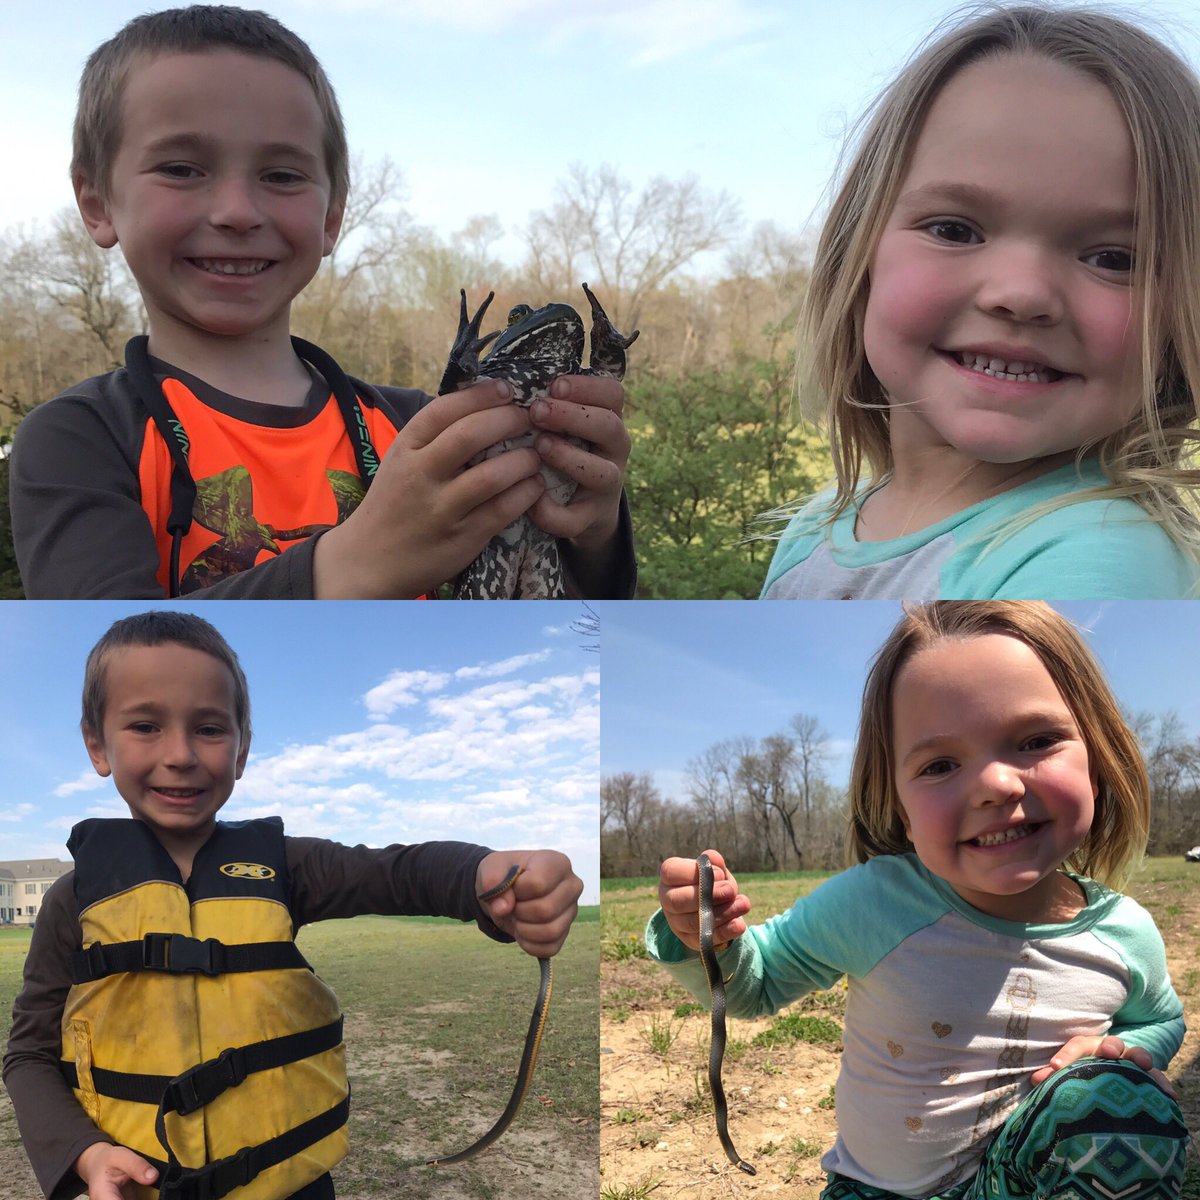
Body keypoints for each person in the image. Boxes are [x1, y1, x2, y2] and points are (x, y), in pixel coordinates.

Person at [8, 5, 634, 600]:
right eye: (181, 167)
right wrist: (360, 560)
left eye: (281, 175)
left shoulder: (422, 428)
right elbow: (116, 652)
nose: (236, 211)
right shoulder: (77, 439)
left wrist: (591, 531)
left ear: (332, 216)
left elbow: (555, 629)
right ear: (96, 202)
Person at [3, 611, 583, 1200]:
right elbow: (28, 1054)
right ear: (97, 744)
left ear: (242, 750)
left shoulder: (287, 865)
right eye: (146, 726)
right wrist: (85, 1155)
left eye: (209, 729)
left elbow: (394, 873)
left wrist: (487, 877)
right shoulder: (70, 900)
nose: (179, 754)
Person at [649, 601, 1189, 1200]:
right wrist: (707, 933)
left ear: (1098, 754)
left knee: (1122, 1105)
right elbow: (759, 984)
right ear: (901, 810)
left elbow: (1161, 1017)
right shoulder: (875, 903)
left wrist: (1124, 1052)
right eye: (940, 764)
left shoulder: (1124, 932)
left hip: (1016, 1186)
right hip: (876, 1191)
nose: (996, 785)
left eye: (1035, 740)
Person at [761, 5, 1200, 599]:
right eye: (954, 230)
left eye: (1114, 259)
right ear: (857, 255)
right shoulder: (814, 530)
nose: (1020, 295)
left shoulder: (1101, 558)